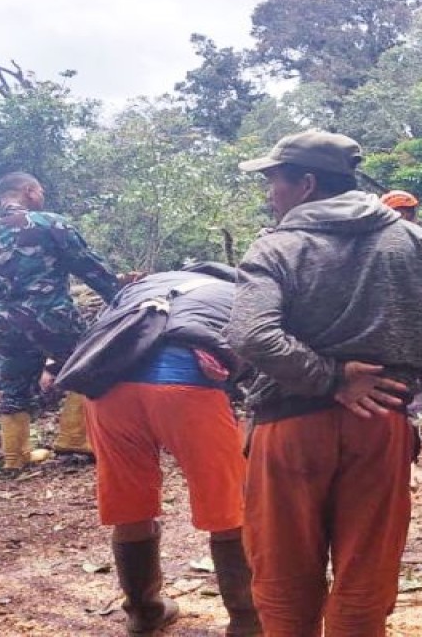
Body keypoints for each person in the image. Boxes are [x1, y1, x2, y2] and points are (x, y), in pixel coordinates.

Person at [226, 130, 422, 636]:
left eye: (274, 181)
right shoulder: (413, 242)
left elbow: (250, 334)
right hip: (380, 428)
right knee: (366, 573)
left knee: (285, 577)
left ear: (307, 184)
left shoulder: (277, 247)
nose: (270, 193)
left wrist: (329, 379)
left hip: (289, 432)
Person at [57, 266, 258, 636]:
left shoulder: (146, 286)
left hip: (107, 390)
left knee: (130, 502)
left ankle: (144, 610)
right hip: (185, 389)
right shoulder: (242, 292)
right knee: (229, 506)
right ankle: (247, 620)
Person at [0, 172, 122, 470]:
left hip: (2, 322)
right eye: (41, 190)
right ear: (29, 191)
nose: (43, 196)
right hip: (50, 315)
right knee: (89, 363)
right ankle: (74, 437)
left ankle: (15, 457)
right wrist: (122, 298)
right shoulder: (49, 224)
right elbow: (88, 266)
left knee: (14, 389)